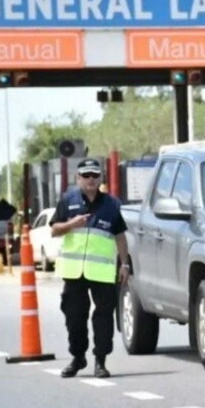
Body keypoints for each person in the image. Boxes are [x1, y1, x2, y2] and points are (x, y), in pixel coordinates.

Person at [50, 158, 130, 379]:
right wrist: (71, 224)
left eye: (95, 175)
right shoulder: (68, 200)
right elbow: (54, 230)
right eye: (86, 175)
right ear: (78, 178)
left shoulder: (112, 205)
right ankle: (78, 357)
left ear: (101, 178)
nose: (91, 179)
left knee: (103, 319)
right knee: (74, 317)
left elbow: (120, 236)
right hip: (74, 272)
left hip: (102, 273)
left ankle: (100, 361)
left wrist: (124, 264)